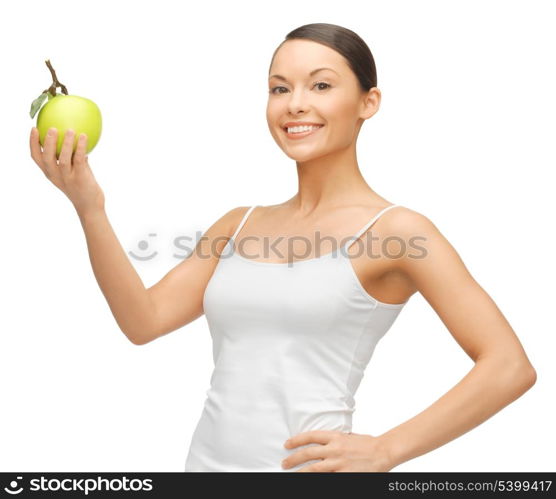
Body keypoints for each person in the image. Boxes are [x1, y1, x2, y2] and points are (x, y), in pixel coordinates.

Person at [29, 22, 536, 473]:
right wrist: (89, 207)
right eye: (279, 88)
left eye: (321, 85)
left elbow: (509, 366)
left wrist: (386, 450)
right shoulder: (238, 223)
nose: (295, 103)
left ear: (368, 102)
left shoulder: (399, 231)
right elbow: (143, 321)